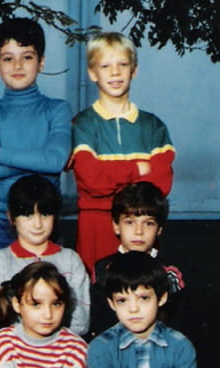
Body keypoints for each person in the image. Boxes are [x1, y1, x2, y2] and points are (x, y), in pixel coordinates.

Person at [72, 32, 175, 275]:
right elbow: (92, 180)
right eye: (105, 66)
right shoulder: (83, 124)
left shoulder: (153, 126)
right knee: (96, 289)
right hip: (96, 224)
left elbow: (161, 183)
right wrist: (137, 168)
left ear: (134, 70)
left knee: (141, 287)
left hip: (139, 224)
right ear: (92, 73)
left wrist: (110, 175)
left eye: (123, 64)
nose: (115, 73)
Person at [0, 18, 71, 261]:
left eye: (27, 57)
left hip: (44, 219)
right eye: (8, 59)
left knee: (48, 284)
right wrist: (40, 158)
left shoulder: (57, 109)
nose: (17, 65)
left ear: (41, 62)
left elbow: (56, 161)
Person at [0, 175, 90, 337]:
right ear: (11, 218)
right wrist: (27, 340)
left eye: (45, 215)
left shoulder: (71, 260)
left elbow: (82, 320)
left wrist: (50, 340)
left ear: (55, 217)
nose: (38, 224)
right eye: (28, 215)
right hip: (13, 345)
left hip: (62, 346)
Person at [89, 182, 185, 340]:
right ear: (116, 226)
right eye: (129, 222)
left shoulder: (168, 272)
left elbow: (177, 323)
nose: (139, 231)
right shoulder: (103, 269)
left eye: (148, 223)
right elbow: (99, 321)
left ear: (159, 229)